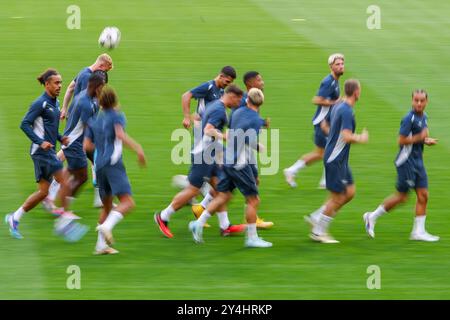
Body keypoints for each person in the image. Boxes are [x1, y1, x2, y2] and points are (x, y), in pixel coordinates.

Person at [5, 69, 87, 241]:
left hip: (46, 151)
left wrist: (60, 137)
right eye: (56, 83)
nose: (60, 86)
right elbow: (24, 124)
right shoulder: (40, 103)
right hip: (41, 152)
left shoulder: (55, 103)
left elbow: (50, 127)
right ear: (47, 84)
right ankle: (63, 222)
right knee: (64, 180)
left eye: (61, 83)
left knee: (43, 193)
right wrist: (39, 142)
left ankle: (15, 217)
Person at [155, 85, 246, 238]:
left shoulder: (214, 105)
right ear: (231, 96)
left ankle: (225, 226)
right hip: (203, 155)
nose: (238, 103)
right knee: (193, 190)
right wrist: (225, 137)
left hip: (209, 152)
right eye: (238, 99)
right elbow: (208, 129)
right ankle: (163, 217)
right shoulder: (219, 110)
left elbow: (197, 117)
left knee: (221, 189)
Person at [189, 88, 272, 248]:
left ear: (247, 100)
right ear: (261, 103)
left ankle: (198, 224)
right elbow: (243, 139)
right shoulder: (255, 120)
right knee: (253, 200)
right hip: (240, 163)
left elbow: (234, 133)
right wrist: (257, 146)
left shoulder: (237, 112)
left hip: (226, 160)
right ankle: (252, 238)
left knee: (222, 196)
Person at [363, 89, 439, 242]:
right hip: (406, 162)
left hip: (418, 161)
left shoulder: (424, 116)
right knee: (402, 197)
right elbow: (401, 140)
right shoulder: (408, 119)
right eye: (416, 100)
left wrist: (426, 140)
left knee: (423, 195)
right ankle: (371, 217)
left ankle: (418, 232)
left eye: (421, 100)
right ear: (412, 101)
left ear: (426, 102)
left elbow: (419, 136)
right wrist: (420, 137)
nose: (418, 103)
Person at [84, 86, 146, 255]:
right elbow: (120, 135)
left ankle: (100, 246)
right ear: (115, 101)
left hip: (99, 165)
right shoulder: (118, 116)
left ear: (101, 103)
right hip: (113, 164)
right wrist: (138, 148)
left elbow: (87, 146)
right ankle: (107, 226)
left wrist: (102, 144)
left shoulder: (94, 121)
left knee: (107, 206)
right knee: (128, 203)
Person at [308, 79, 368, 243]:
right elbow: (347, 136)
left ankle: (317, 217)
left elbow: (325, 125)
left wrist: (333, 136)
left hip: (339, 158)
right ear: (356, 92)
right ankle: (318, 232)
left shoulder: (338, 106)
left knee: (349, 192)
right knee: (338, 197)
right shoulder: (346, 110)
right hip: (335, 158)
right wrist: (361, 138)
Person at [284, 53, 344, 188]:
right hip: (322, 123)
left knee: (321, 153)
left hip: (327, 123)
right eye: (337, 64)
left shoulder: (335, 81)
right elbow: (316, 99)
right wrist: (335, 102)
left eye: (342, 64)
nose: (341, 66)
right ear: (331, 66)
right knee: (331, 150)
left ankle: (293, 170)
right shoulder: (328, 81)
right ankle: (325, 181)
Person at [52, 73, 106, 215]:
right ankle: (63, 210)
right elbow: (91, 128)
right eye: (102, 87)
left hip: (73, 141)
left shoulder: (86, 96)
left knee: (74, 173)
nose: (103, 90)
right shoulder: (85, 103)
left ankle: (58, 203)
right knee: (82, 177)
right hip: (74, 143)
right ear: (96, 87)